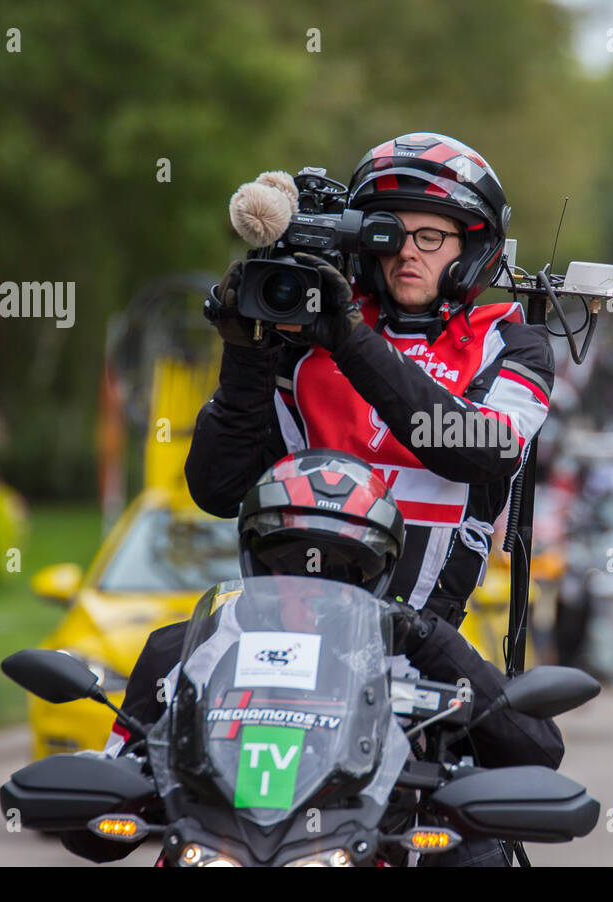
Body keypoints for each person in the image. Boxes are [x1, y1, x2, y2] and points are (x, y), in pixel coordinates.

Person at [62, 451, 563, 866]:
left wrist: (432, 641)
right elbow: (105, 817)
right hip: (214, 852)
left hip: (362, 850)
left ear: (377, 576)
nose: (309, 589)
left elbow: (538, 750)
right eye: (285, 563)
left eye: (342, 571)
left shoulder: (419, 650)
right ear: (252, 559)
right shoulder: (182, 649)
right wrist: (101, 791)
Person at [190, 132, 555, 631]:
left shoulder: (511, 342)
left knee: (526, 715)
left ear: (471, 246)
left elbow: (478, 449)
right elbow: (217, 491)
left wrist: (350, 342)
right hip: (285, 633)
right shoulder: (307, 337)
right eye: (390, 233)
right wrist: (243, 352)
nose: (408, 252)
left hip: (420, 645)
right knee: (161, 670)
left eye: (430, 237)